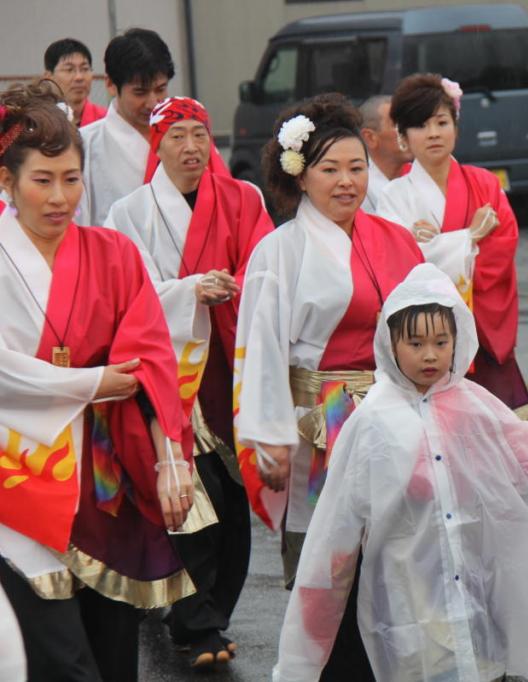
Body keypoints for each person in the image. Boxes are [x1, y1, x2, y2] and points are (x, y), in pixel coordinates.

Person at [274, 263, 528, 682]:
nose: (429, 354)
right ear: (391, 344)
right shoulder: (372, 420)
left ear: (457, 340)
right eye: (415, 343)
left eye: (441, 342)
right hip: (407, 596)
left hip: (475, 591)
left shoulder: (474, 406)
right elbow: (334, 529)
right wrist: (300, 660)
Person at [0, 81, 194, 682]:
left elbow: (151, 358)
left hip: (106, 477)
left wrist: (169, 456)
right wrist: (89, 383)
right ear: (7, 182)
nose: (60, 197)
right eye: (42, 180)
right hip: (18, 473)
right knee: (61, 660)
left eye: (71, 179)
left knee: (114, 655)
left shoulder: (114, 253)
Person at [234, 92, 423, 679]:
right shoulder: (279, 250)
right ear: (300, 176)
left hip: (392, 417)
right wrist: (267, 436)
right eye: (330, 169)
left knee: (396, 569)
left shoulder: (395, 239)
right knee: (331, 573)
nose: (347, 182)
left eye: (357, 167)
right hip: (321, 425)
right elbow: (261, 350)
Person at [105, 95, 274, 668]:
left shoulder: (243, 198)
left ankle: (212, 610)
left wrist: (232, 286)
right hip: (171, 371)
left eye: (199, 135)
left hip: (229, 365)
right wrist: (189, 290)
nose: (191, 147)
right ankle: (194, 621)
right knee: (187, 497)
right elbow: (127, 291)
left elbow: (263, 266)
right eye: (176, 136)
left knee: (232, 496)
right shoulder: (130, 211)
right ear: (158, 146)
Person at [377, 74, 528, 414]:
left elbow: (500, 250)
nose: (433, 133)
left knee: (497, 425)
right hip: (426, 341)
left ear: (456, 127)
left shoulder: (485, 184)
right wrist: (468, 237)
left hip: (482, 332)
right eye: (420, 126)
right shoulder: (393, 197)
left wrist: (434, 246)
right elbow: (400, 266)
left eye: (441, 122)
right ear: (403, 136)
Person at [80, 28, 174, 225]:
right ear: (111, 84)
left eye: (160, 89)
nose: (153, 103)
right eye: (140, 92)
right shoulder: (84, 145)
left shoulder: (187, 137)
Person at [358, 95, 411, 214]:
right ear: (370, 137)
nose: (409, 131)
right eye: (397, 125)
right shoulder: (354, 186)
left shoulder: (420, 175)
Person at [43, 38, 106, 128]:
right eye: (69, 69)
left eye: (85, 69)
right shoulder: (37, 121)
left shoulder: (105, 120)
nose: (79, 77)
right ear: (48, 77)